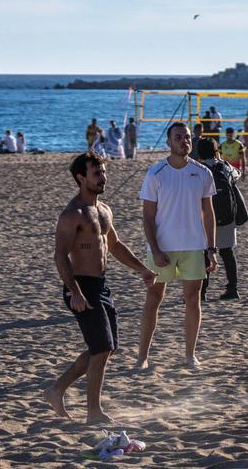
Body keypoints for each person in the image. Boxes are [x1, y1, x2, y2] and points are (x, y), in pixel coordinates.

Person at [46, 152, 155, 423]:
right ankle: (93, 411)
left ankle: (56, 390)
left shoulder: (104, 210)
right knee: (101, 348)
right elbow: (60, 256)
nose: (103, 177)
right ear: (81, 178)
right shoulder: (72, 214)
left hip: (101, 286)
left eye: (104, 172)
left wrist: (141, 268)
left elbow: (114, 245)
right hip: (80, 286)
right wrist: (75, 292)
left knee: (108, 347)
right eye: (97, 173)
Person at [135, 122, 218, 371]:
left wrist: (212, 250)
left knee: (193, 300)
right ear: (169, 142)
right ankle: (142, 357)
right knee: (154, 299)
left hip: (194, 247)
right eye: (178, 137)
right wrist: (156, 249)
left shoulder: (203, 172)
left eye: (188, 137)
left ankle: (190, 355)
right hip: (163, 248)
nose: (184, 141)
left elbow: (209, 213)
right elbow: (148, 217)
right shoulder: (156, 173)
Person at [197, 139, 241, 301]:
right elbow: (238, 175)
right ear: (216, 151)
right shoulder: (224, 167)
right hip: (226, 216)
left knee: (204, 254)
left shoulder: (198, 169)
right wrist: (221, 161)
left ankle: (202, 292)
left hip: (204, 217)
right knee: (227, 252)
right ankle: (232, 288)